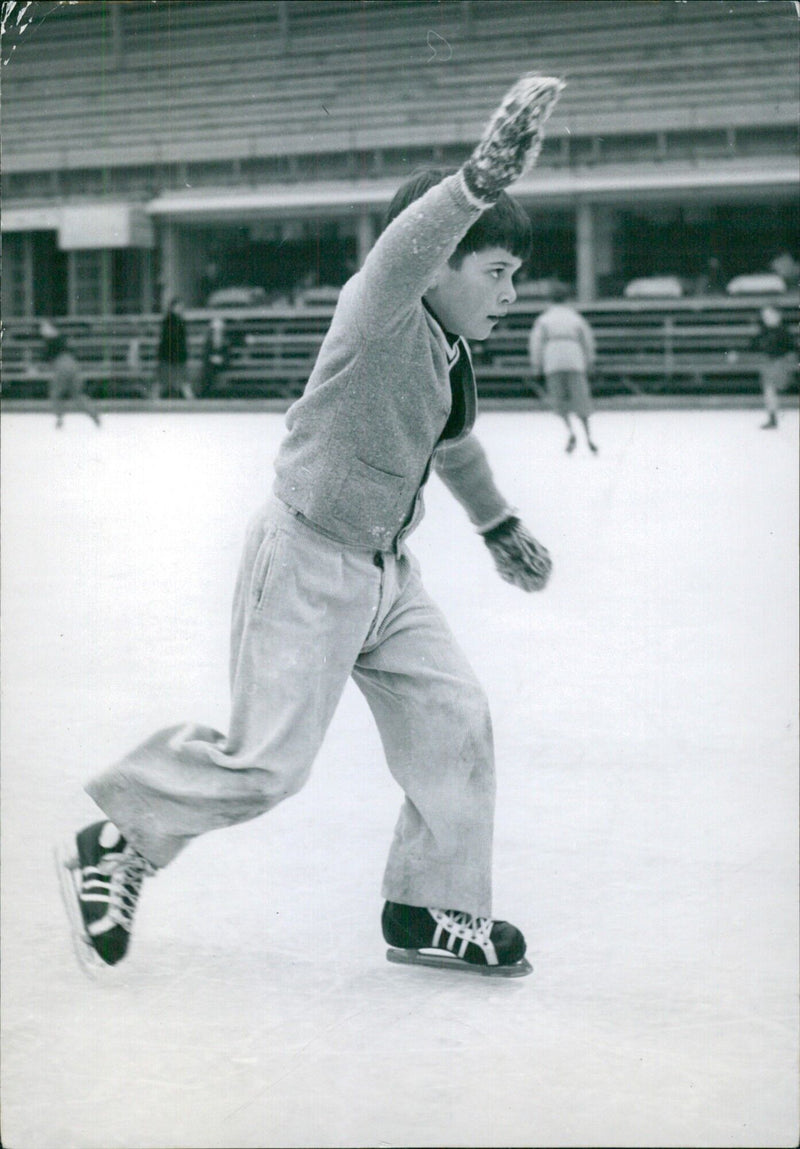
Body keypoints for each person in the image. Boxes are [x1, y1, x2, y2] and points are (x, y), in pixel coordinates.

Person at [56, 74, 565, 978]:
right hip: (304, 562)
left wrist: (498, 525)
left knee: (455, 717)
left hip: (386, 577)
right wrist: (475, 183)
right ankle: (119, 838)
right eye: (497, 271)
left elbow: (455, 450)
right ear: (438, 264)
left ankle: (432, 905)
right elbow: (398, 255)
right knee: (266, 766)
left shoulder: (451, 357)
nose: (511, 292)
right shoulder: (380, 313)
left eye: (516, 275)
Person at [528, 285, 598, 453]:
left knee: (559, 399)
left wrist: (536, 365)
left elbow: (536, 343)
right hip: (574, 357)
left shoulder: (544, 319)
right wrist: (590, 361)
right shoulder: (575, 317)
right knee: (580, 398)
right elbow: (587, 340)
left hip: (553, 358)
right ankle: (588, 436)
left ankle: (570, 431)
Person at [41, 323, 101, 429]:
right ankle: (94, 415)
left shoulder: (50, 341)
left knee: (55, 394)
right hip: (73, 365)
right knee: (77, 395)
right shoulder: (62, 339)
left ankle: (59, 419)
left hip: (62, 366)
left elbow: (47, 359)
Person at [750, 304, 795, 429]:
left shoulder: (783, 331)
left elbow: (791, 348)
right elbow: (753, 346)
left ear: (778, 316)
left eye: (770, 315)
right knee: (769, 389)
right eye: (765, 316)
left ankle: (774, 415)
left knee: (773, 389)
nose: (767, 318)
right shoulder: (763, 331)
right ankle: (772, 416)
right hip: (768, 362)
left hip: (780, 362)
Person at [153, 297, 193, 400]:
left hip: (174, 356)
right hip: (170, 356)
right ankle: (190, 398)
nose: (181, 308)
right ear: (173, 307)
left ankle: (190, 398)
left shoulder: (178, 321)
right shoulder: (170, 322)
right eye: (179, 306)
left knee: (180, 380)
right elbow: (169, 340)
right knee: (163, 380)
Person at [197, 315, 231, 397]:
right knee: (208, 369)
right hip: (211, 363)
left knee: (210, 369)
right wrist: (212, 359)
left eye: (219, 329)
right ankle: (206, 393)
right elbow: (206, 354)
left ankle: (207, 393)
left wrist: (221, 359)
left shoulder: (225, 340)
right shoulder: (209, 340)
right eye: (215, 329)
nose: (217, 331)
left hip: (223, 363)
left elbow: (228, 354)